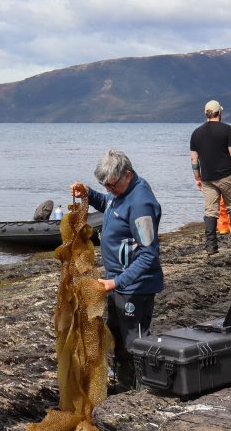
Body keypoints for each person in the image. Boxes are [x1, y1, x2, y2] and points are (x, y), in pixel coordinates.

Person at [70, 149, 163, 390]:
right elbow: (109, 202)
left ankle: (144, 388)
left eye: (111, 185)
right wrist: (89, 194)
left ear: (128, 176)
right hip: (117, 282)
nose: (109, 189)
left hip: (134, 286)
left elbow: (148, 255)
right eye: (105, 185)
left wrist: (116, 282)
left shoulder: (141, 204)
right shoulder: (119, 192)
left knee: (135, 340)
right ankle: (125, 384)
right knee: (117, 335)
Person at [190, 100, 231, 254]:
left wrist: (197, 178)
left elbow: (194, 160)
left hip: (207, 178)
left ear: (206, 113)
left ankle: (211, 247)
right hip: (227, 175)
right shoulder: (227, 130)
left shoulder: (196, 133)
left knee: (210, 211)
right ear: (219, 113)